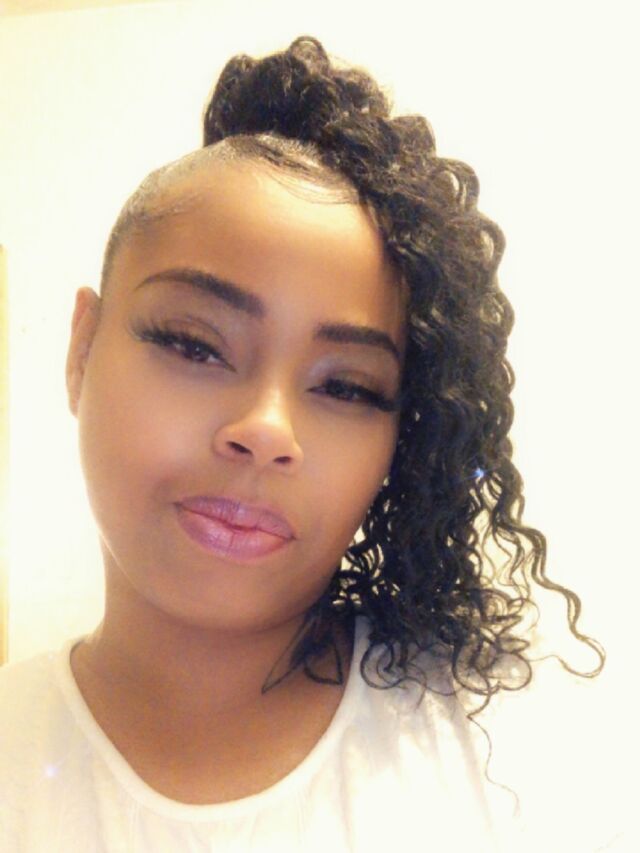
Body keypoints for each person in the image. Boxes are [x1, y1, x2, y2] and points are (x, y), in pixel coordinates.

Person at [0, 35, 605, 851]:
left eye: (347, 387)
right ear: (82, 349)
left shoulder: (518, 743)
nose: (266, 430)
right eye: (194, 345)